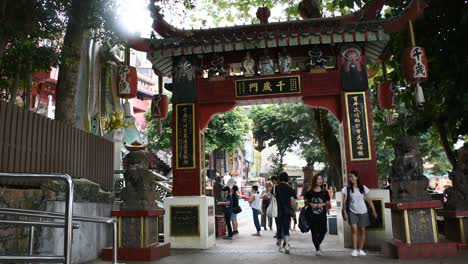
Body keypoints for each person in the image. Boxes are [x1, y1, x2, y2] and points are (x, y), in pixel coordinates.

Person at [342, 170, 378, 257]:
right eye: (349, 177)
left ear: (357, 177)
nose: (350, 178)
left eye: (352, 176)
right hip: (352, 211)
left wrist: (374, 211)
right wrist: (345, 213)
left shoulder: (363, 188)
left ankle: (360, 249)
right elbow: (344, 202)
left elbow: (369, 201)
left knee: (362, 230)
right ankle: (354, 250)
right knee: (354, 229)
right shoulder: (346, 189)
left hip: (363, 211)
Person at [304, 173, 331, 256]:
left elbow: (328, 204)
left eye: (321, 179)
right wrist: (310, 204)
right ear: (315, 180)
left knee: (323, 231)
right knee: (314, 232)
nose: (320, 181)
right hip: (311, 215)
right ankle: (317, 249)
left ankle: (317, 244)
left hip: (322, 215)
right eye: (318, 179)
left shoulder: (325, 192)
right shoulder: (309, 191)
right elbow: (304, 202)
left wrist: (322, 204)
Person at [275, 172, 296, 254]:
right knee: (286, 228)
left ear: (279, 178)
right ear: (287, 178)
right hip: (287, 211)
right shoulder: (290, 188)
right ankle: (287, 245)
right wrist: (294, 210)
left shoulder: (275, 188)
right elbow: (292, 201)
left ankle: (279, 246)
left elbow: (272, 199)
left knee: (279, 228)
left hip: (278, 211)